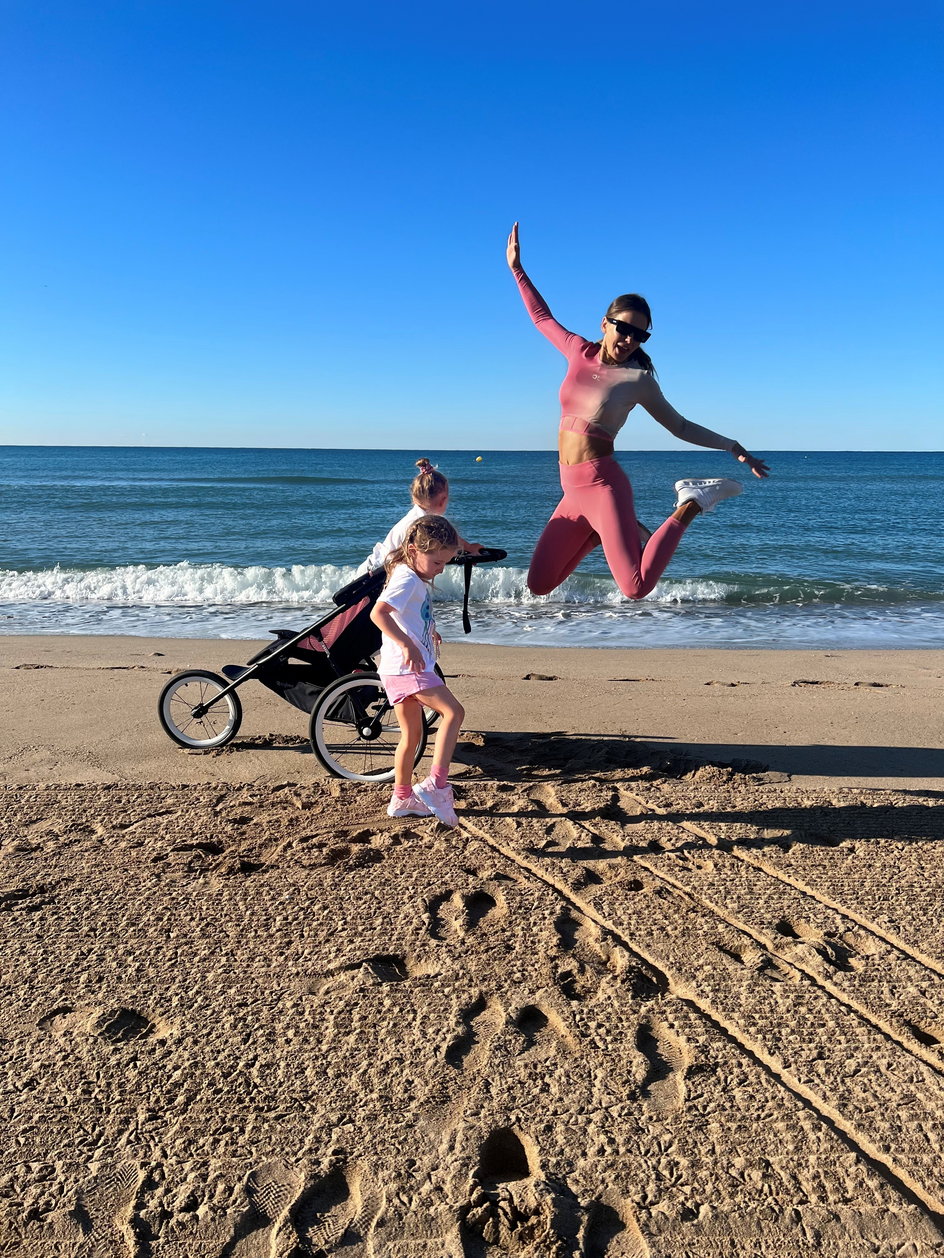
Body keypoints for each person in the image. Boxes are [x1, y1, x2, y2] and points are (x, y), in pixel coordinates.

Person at [506, 222, 769, 598]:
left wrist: (733, 446)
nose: (629, 340)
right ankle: (602, 531)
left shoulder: (637, 379)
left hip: (603, 485)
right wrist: (517, 269)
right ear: (605, 323)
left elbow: (678, 425)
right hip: (571, 489)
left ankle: (692, 502)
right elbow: (542, 318)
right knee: (540, 584)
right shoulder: (577, 350)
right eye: (623, 329)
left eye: (639, 335)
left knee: (635, 587)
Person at [370, 514, 466, 827]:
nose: (441, 569)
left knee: (411, 736)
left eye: (445, 563)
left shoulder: (408, 573)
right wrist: (407, 645)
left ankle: (401, 798)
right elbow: (379, 614)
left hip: (396, 669)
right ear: (414, 551)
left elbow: (410, 616)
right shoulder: (408, 578)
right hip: (407, 666)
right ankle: (437, 786)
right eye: (437, 562)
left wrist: (430, 629)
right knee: (453, 712)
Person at [355, 458, 481, 577]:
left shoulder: (417, 516)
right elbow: (449, 539)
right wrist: (470, 548)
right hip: (374, 576)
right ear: (443, 500)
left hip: (373, 568)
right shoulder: (423, 524)